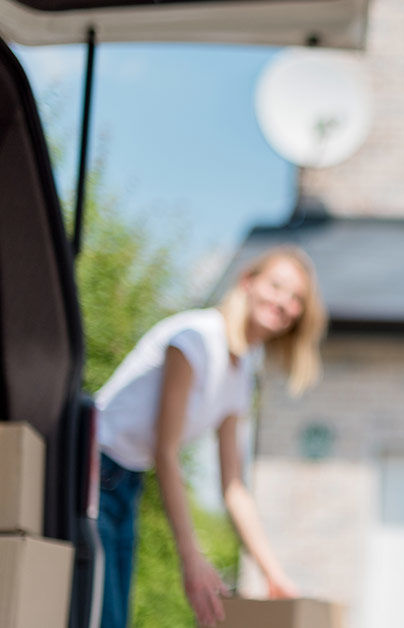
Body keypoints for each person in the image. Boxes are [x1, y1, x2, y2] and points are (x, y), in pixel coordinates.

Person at [95, 245, 327, 628]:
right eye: (276, 285)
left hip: (126, 481)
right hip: (92, 467)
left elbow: (233, 485)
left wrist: (274, 574)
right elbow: (165, 451)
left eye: (297, 298)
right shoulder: (197, 339)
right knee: (101, 615)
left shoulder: (243, 369)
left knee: (114, 620)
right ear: (247, 282)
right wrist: (193, 559)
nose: (284, 302)